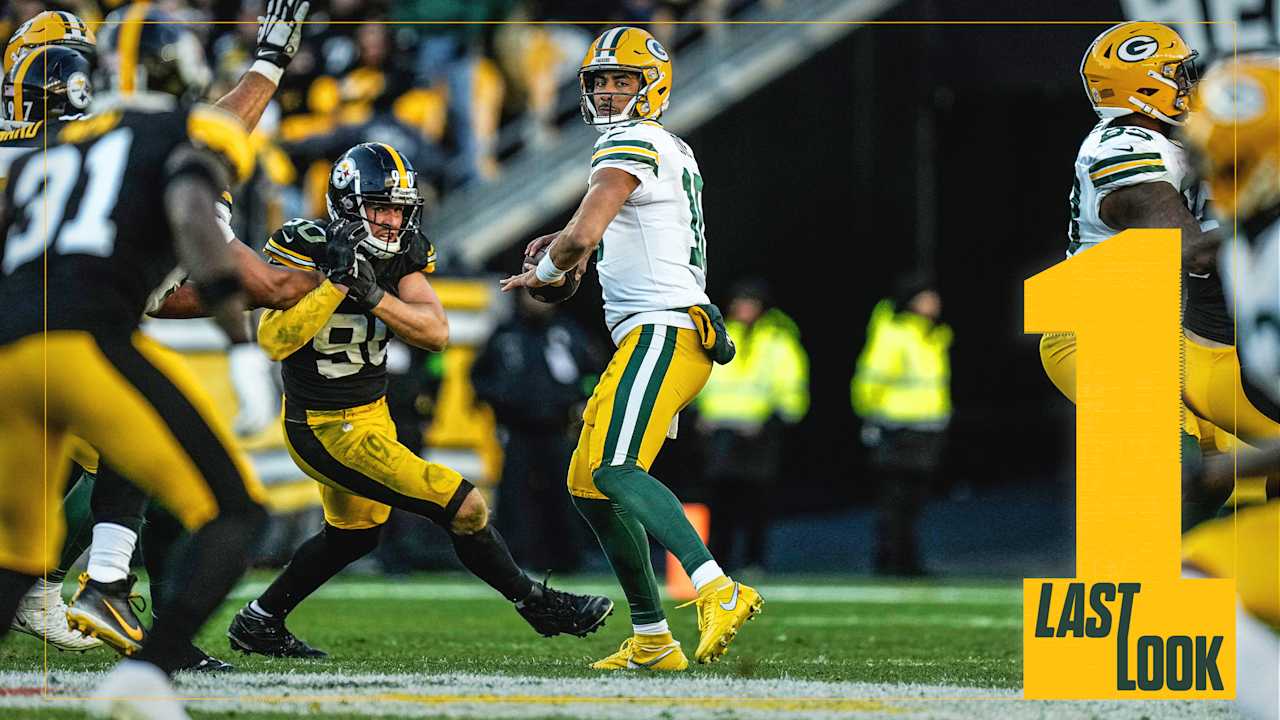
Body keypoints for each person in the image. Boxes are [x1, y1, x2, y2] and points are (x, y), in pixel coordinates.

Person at [0, 0, 319, 671]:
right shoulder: (141, 146)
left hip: (15, 350)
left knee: (26, 541)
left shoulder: (38, 163)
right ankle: (117, 601)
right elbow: (226, 249)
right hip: (73, 345)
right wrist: (269, 61)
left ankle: (80, 586)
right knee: (229, 508)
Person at [226, 142, 613, 659]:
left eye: (399, 210)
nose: (392, 222)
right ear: (347, 205)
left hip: (373, 416)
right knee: (465, 505)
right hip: (323, 426)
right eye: (380, 208)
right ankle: (537, 604)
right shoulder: (307, 245)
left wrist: (372, 295)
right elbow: (273, 341)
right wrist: (335, 286)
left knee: (355, 534)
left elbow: (435, 332)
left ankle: (260, 620)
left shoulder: (403, 253)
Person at [502, 25, 762, 671]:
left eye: (623, 80)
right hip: (657, 332)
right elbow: (609, 225)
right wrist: (566, 243)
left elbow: (584, 234)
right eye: (601, 82)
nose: (610, 93)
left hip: (664, 329)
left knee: (616, 468)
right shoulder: (665, 145)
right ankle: (651, 638)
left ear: (653, 86)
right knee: (588, 484)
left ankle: (717, 587)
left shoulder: (632, 140)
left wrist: (548, 270)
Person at [1043, 21, 1280, 529]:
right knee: (1173, 461)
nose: (1190, 84)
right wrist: (1262, 221)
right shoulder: (1119, 144)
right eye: (1178, 74)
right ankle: (1151, 568)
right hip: (1094, 333)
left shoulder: (1177, 141)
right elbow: (1191, 250)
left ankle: (1229, 569)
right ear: (1144, 84)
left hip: (1169, 335)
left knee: (1251, 459)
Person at [1179, 53, 1280, 720]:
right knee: (1196, 580)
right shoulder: (1248, 249)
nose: (1217, 182)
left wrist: (1236, 466)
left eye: (1232, 166)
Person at [472, 289, 602, 573]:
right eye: (531, 296)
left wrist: (583, 402)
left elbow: (594, 373)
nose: (536, 303)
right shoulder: (505, 334)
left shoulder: (568, 333)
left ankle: (569, 558)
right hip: (517, 429)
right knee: (514, 494)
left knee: (564, 494)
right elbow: (479, 375)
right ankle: (514, 557)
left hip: (559, 428)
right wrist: (499, 401)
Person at [695, 279, 808, 572]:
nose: (744, 309)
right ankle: (717, 561)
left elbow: (791, 385)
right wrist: (697, 412)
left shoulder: (777, 340)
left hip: (759, 433)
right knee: (719, 500)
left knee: (756, 500)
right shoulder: (717, 334)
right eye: (740, 302)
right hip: (719, 429)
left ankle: (754, 560)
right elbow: (699, 374)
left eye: (751, 303)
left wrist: (773, 420)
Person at [852, 276, 951, 576]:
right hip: (897, 429)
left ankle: (904, 560)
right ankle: (893, 560)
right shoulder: (895, 335)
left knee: (913, 502)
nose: (934, 302)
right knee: (895, 500)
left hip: (926, 430)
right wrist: (871, 417)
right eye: (926, 297)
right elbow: (871, 380)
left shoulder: (932, 336)